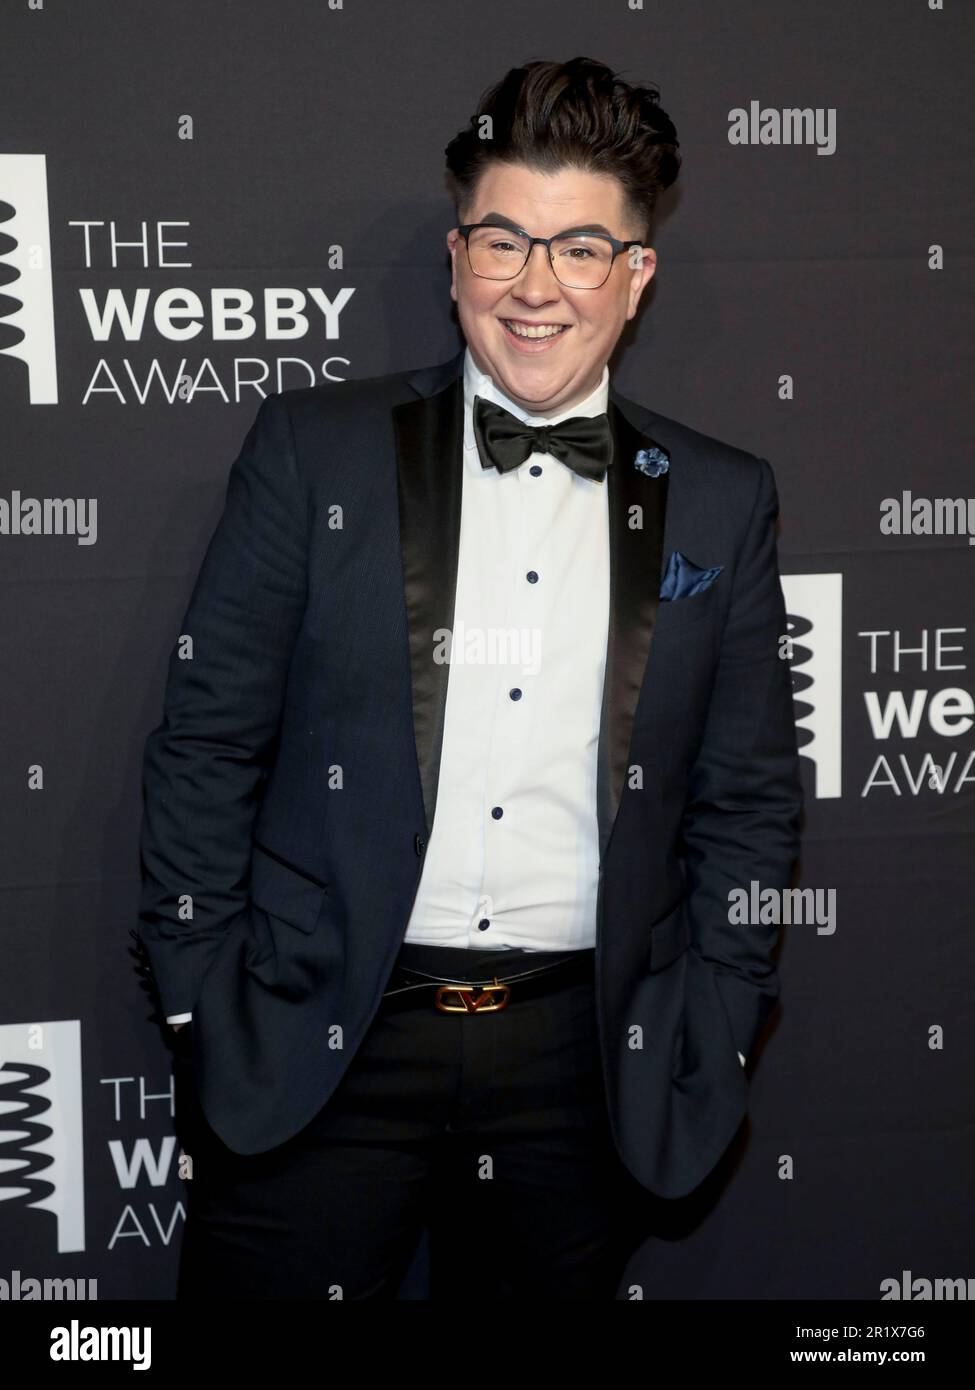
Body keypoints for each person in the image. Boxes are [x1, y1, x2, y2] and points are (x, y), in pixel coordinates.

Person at [136, 55, 802, 1300]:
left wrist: (719, 1007)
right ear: (456, 260)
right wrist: (198, 1002)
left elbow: (750, 800)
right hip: (322, 1039)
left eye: (582, 249)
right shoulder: (312, 453)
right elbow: (205, 744)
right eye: (505, 241)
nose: (536, 287)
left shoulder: (722, 497)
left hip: (581, 1064)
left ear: (636, 275)